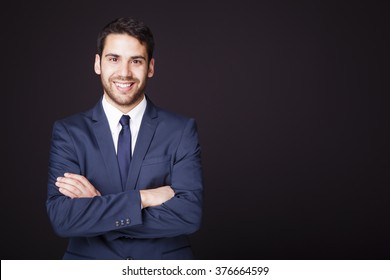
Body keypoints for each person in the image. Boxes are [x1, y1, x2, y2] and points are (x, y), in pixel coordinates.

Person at [46, 17, 203, 260]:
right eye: (114, 59)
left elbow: (188, 215)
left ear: (150, 67)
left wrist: (98, 209)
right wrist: (144, 197)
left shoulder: (181, 130)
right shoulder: (69, 132)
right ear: (98, 63)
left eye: (136, 61)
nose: (124, 73)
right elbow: (64, 219)